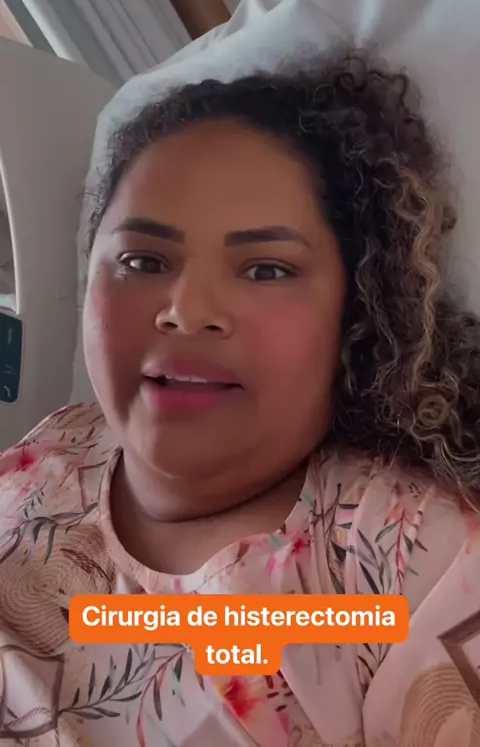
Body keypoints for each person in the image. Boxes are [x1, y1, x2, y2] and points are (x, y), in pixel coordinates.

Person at [0, 54, 479, 747]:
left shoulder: (406, 559)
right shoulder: (50, 449)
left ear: (357, 314)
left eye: (266, 269)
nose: (187, 310)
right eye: (143, 261)